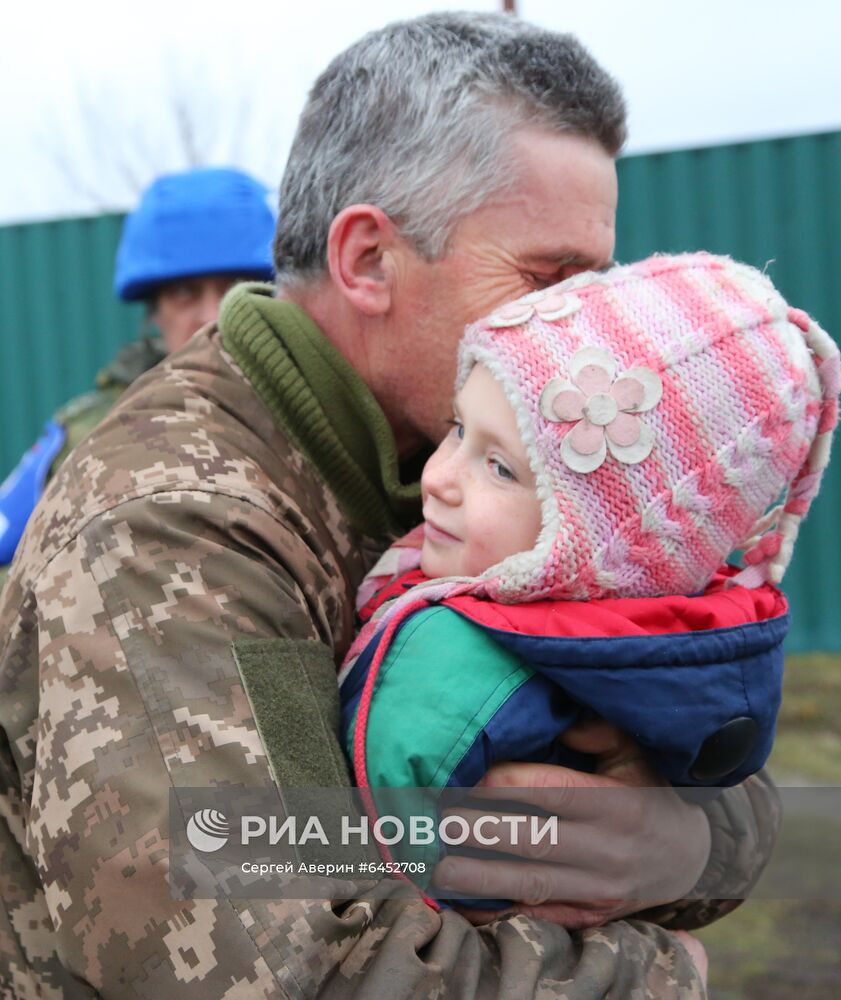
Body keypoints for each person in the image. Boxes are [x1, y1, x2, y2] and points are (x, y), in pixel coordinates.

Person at [0, 13, 780, 998]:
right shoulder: (176, 520)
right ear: (368, 260)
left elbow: (715, 728)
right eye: (549, 280)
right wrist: (657, 976)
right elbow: (267, 968)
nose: (582, 329)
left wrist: (679, 843)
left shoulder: (501, 465)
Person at [340, 253, 839, 906]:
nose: (435, 476)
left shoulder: (444, 668)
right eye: (458, 430)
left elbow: (358, 896)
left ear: (606, 553)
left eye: (500, 468)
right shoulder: (647, 660)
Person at [0, 165, 275, 569]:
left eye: (235, 287)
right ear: (153, 312)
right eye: (185, 293)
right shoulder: (91, 433)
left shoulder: (318, 422)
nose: (213, 315)